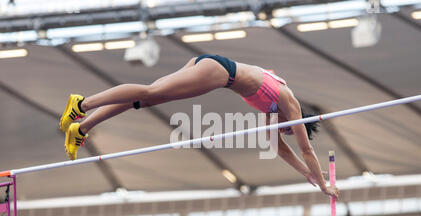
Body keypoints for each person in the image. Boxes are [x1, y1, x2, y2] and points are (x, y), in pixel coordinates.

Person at [59, 54, 339, 198]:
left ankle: (82, 129)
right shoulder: (289, 104)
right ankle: (81, 105)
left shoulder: (275, 108)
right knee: (148, 92)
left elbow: (277, 147)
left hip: (215, 68)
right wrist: (324, 184)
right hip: (219, 73)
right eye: (288, 128)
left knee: (145, 99)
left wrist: (307, 175)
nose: (282, 130)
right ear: (298, 119)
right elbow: (304, 149)